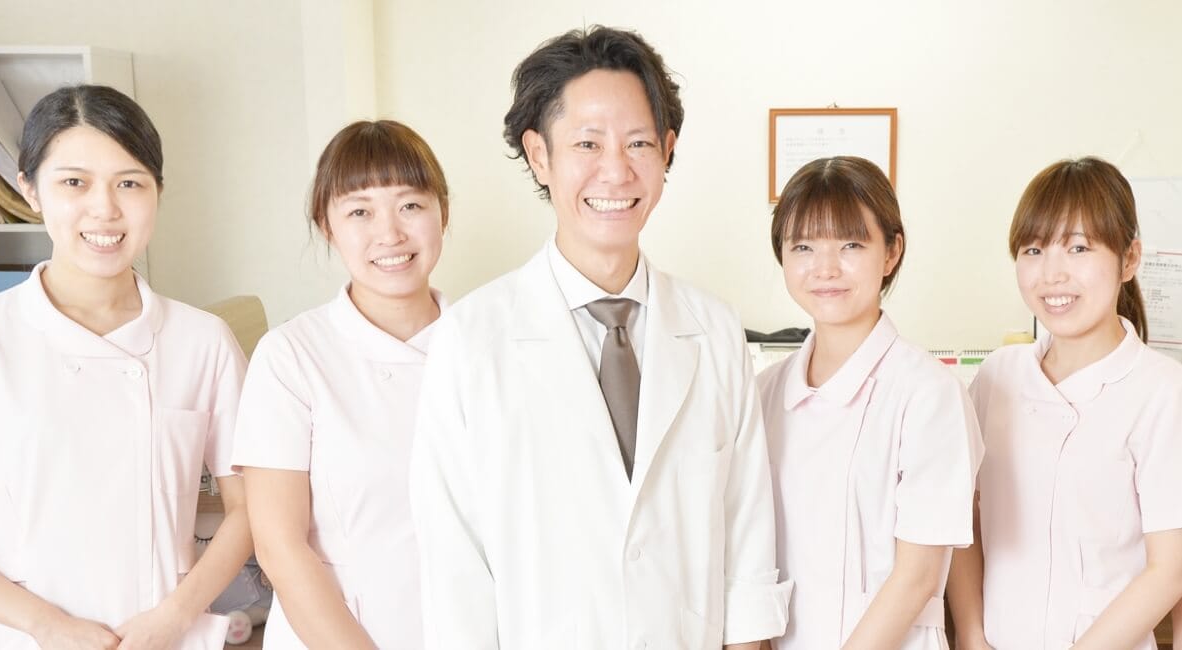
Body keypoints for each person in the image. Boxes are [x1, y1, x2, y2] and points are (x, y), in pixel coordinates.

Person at [410, 25, 788, 650]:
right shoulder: (471, 339)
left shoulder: (714, 329)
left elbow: (746, 526)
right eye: (587, 143)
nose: (616, 170)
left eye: (638, 143)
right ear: (539, 156)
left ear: (666, 152)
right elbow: (454, 565)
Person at [0, 85, 251, 649]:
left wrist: (175, 616)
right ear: (29, 190)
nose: (105, 209)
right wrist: (49, 627)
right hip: (25, 639)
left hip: (164, 635)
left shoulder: (202, 341)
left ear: (157, 192)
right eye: (74, 182)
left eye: (130, 183)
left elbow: (250, 507)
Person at [946, 156, 1182, 649]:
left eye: (1078, 248)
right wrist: (971, 636)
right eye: (1033, 249)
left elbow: (1169, 570)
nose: (1052, 274)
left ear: (1130, 259)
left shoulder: (1163, 392)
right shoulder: (996, 377)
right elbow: (963, 520)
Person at [232, 119, 449, 649]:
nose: (390, 234)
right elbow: (280, 548)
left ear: (442, 212)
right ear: (326, 226)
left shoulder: (486, 344)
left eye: (411, 205)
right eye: (359, 212)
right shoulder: (291, 357)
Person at [758, 156, 983, 648]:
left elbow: (918, 576)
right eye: (803, 246)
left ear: (891, 252)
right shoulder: (763, 394)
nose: (825, 268)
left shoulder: (929, 393)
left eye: (851, 245)